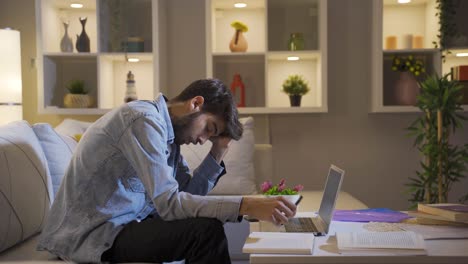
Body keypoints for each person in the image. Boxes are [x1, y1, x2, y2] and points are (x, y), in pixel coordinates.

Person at [37, 79, 297, 263]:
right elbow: (171, 205)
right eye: (209, 128)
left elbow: (188, 195)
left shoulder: (170, 140)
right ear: (195, 104)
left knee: (206, 226)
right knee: (205, 233)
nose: (203, 139)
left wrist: (218, 151)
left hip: (125, 226)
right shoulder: (143, 121)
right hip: (93, 234)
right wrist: (246, 205)